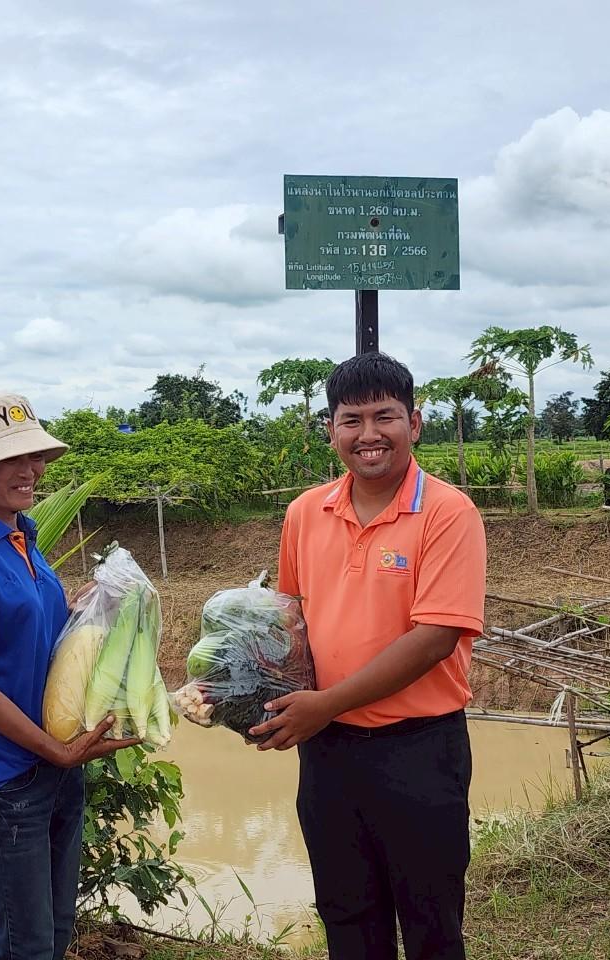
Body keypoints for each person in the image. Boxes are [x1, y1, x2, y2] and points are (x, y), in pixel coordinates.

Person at [251, 352, 487, 960]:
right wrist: (247, 692)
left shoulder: (448, 512)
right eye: (351, 420)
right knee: (346, 918)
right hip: (328, 754)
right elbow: (290, 621)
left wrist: (325, 703)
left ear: (415, 423)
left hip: (419, 751)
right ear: (330, 430)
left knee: (432, 926)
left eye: (385, 416)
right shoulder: (305, 512)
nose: (369, 435)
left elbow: (436, 636)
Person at [0, 392, 138, 960]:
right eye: (9, 458)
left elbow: (33, 635)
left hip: (54, 768)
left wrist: (87, 608)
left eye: (35, 455)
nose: (30, 470)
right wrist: (57, 751)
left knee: (57, 932)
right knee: (27, 947)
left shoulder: (24, 535)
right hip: (5, 783)